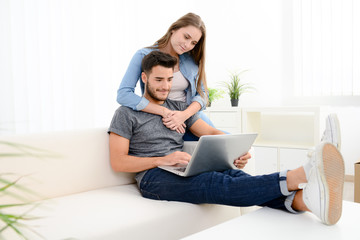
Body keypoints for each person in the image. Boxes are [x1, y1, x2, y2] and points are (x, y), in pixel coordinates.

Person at [108, 51, 345, 225]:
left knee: (235, 175)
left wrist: (236, 148)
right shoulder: (126, 113)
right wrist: (162, 159)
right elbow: (118, 162)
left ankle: (306, 201)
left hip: (181, 167)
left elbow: (210, 132)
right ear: (144, 78)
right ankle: (303, 174)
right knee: (214, 182)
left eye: (169, 80)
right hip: (152, 178)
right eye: (159, 80)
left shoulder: (177, 107)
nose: (165, 86)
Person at [116, 13, 213, 140]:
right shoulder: (143, 55)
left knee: (228, 142)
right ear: (174, 29)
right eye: (186, 37)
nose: (187, 45)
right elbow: (123, 94)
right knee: (220, 149)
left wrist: (184, 115)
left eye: (193, 43)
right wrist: (163, 111)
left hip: (191, 117)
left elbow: (203, 94)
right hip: (164, 120)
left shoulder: (191, 61)